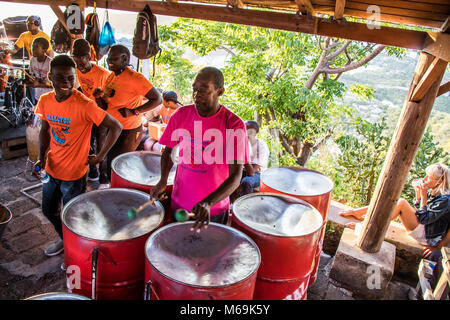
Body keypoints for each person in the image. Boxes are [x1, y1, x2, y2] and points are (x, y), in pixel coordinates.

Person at [34, 55, 122, 257]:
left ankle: (76, 253)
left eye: (70, 78)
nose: (66, 83)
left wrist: (100, 157)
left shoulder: (85, 104)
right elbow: (44, 129)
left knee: (72, 216)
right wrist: (41, 157)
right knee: (48, 210)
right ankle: (65, 240)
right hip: (52, 168)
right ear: (50, 77)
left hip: (74, 173)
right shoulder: (45, 100)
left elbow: (115, 126)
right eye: (60, 78)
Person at [149, 67, 249, 230]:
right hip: (179, 203)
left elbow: (236, 175)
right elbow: (167, 152)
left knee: (206, 254)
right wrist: (162, 180)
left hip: (212, 210)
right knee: (177, 250)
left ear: (220, 91)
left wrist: (208, 203)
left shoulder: (234, 124)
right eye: (194, 89)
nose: (196, 95)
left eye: (203, 90)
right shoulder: (181, 114)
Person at [93, 44, 162, 187]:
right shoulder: (111, 76)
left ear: (125, 59)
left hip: (129, 131)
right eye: (108, 59)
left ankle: (123, 193)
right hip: (113, 128)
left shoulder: (135, 78)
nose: (109, 62)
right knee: (112, 161)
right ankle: (114, 190)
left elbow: (158, 99)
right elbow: (106, 107)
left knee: (121, 165)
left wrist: (134, 111)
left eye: (114, 59)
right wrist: (98, 97)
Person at [340, 163, 450, 248]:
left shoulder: (445, 199)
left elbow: (423, 219)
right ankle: (358, 213)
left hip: (427, 236)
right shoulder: (436, 190)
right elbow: (421, 210)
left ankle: (366, 227)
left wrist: (423, 196)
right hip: (425, 228)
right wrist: (418, 195)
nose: (425, 179)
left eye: (429, 177)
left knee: (401, 203)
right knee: (397, 201)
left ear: (440, 181)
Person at [71, 38, 110, 185]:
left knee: (101, 144)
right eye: (76, 62)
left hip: (101, 112)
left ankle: (104, 177)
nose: (79, 66)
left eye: (82, 62)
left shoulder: (102, 74)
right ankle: (92, 171)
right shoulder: (76, 70)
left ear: (89, 57)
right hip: (86, 113)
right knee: (87, 143)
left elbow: (108, 100)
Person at [240, 120, 269, 196]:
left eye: (244, 130)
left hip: (258, 174)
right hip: (243, 171)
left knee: (246, 182)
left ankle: (244, 206)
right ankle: (227, 205)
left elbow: (251, 172)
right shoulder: (243, 143)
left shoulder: (261, 146)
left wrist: (241, 152)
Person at [26, 37, 52, 103]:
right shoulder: (32, 60)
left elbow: (53, 85)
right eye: (32, 46)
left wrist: (39, 85)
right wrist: (31, 80)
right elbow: (32, 74)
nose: (33, 49)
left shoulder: (51, 63)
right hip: (38, 96)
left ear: (44, 50)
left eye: (36, 47)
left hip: (49, 98)